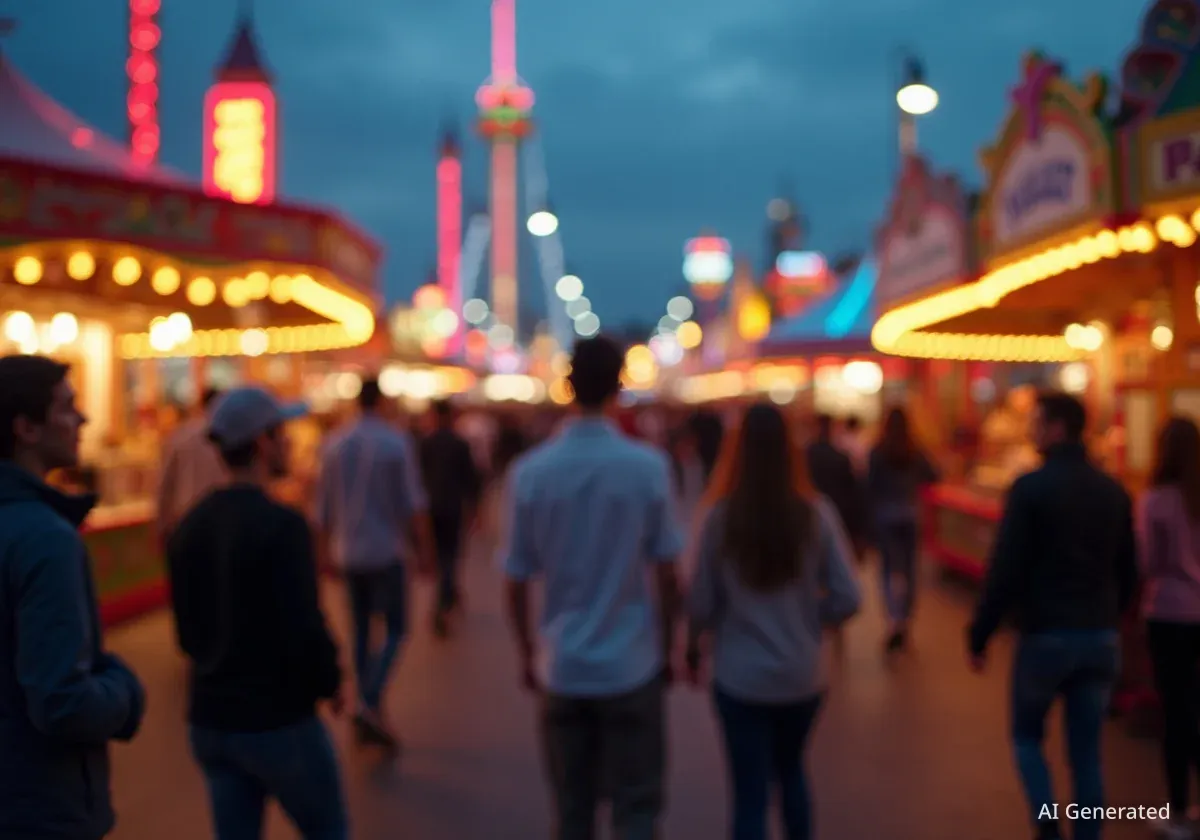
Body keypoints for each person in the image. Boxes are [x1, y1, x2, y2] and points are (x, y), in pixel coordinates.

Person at [500, 335, 682, 840]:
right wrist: (669, 648)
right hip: (632, 663)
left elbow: (515, 579)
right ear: (619, 386)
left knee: (572, 813)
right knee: (636, 811)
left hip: (563, 665)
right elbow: (669, 574)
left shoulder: (530, 473)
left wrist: (527, 652)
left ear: (568, 385)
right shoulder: (648, 468)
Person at [167, 387, 346, 840]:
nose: (289, 442)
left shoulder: (190, 525)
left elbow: (186, 635)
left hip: (210, 719)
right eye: (282, 433)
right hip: (276, 717)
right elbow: (303, 623)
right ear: (263, 443)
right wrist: (330, 680)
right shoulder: (283, 525)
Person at [967, 392, 1138, 840]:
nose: (1032, 430)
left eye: (1038, 422)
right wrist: (1112, 616)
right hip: (1099, 633)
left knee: (1027, 739)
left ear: (1057, 427)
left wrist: (981, 633)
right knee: (1086, 754)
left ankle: (1047, 825)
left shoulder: (1030, 489)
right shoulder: (1113, 491)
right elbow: (1129, 570)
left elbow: (1005, 569)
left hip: (1045, 633)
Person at [686, 402, 861, 840]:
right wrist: (812, 618)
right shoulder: (816, 513)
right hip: (802, 674)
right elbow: (849, 596)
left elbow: (700, 602)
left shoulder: (720, 518)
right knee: (792, 772)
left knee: (750, 794)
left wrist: (698, 641)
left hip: (739, 676)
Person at [0, 355, 146, 840]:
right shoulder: (45, 538)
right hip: (38, 804)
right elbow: (61, 701)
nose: (82, 419)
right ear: (26, 428)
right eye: (67, 406)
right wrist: (125, 692)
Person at [315, 378, 434, 749]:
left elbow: (322, 508)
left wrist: (323, 553)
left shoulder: (335, 443)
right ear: (381, 402)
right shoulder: (394, 442)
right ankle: (369, 700)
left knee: (361, 632)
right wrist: (424, 550)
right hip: (387, 551)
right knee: (397, 628)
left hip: (349, 552)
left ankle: (367, 704)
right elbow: (413, 503)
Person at [1138, 417, 1200, 840]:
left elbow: (1146, 562)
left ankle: (1178, 812)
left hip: (1169, 612)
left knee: (1176, 714)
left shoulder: (1155, 501)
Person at [866, 407, 938, 651]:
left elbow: (869, 486)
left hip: (885, 516)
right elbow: (934, 475)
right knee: (910, 570)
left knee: (888, 570)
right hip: (910, 515)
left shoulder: (878, 451)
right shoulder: (915, 451)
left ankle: (893, 618)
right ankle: (906, 619)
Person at [419, 399, 482, 637]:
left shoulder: (425, 444)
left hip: (430, 509)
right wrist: (475, 511)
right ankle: (446, 598)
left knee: (439, 557)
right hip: (452, 508)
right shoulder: (459, 444)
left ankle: (445, 598)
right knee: (450, 557)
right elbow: (472, 481)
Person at [155, 387, 226, 544]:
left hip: (184, 517)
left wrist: (161, 525)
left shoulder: (180, 435)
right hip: (219, 520)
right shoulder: (228, 437)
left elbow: (165, 484)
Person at [806, 414, 867, 560]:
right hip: (840, 512)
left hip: (812, 514)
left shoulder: (806, 457)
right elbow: (853, 492)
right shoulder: (841, 459)